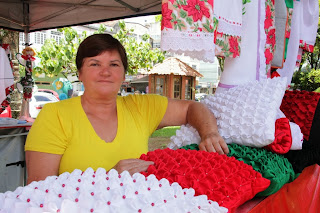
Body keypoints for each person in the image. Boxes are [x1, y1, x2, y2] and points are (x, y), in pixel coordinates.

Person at [25, 34, 229, 184]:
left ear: (124, 75)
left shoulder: (140, 107)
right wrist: (108, 179)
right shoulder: (54, 116)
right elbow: (40, 191)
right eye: (95, 64)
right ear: (80, 73)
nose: (105, 72)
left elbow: (192, 107)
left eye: (114, 64)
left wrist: (209, 133)